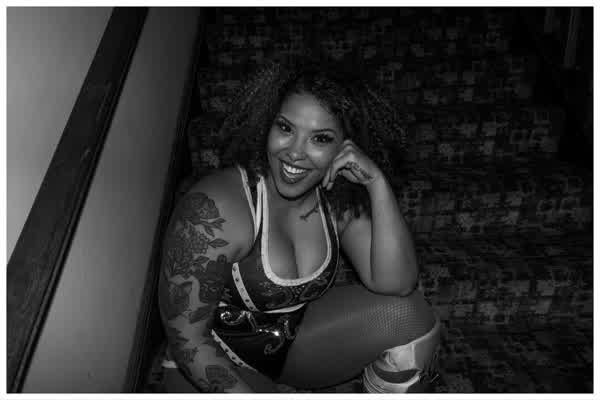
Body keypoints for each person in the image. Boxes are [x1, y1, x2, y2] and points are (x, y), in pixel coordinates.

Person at [157, 59, 441, 393]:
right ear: (266, 124)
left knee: (413, 317)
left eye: (320, 138)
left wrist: (376, 183)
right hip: (209, 359)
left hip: (292, 346)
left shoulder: (336, 196)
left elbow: (398, 284)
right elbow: (188, 340)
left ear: (345, 147)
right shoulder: (215, 206)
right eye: (286, 128)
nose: (294, 153)